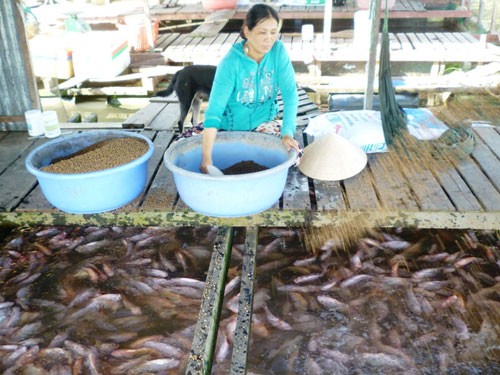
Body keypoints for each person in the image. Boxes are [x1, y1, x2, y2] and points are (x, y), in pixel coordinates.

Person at [199, 3, 300, 174]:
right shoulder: (230, 63)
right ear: (247, 31)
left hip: (263, 124)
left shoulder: (278, 52)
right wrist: (206, 158)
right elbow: (214, 111)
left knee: (294, 156)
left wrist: (287, 132)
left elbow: (290, 94)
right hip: (228, 128)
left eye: (273, 32)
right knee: (183, 149)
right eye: (262, 32)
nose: (269, 38)